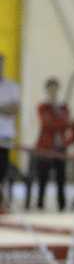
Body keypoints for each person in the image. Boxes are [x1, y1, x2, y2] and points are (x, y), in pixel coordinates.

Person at [30, 78, 73, 211]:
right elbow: (47, 124)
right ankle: (40, 204)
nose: (53, 92)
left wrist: (58, 120)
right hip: (45, 146)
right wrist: (60, 120)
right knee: (43, 177)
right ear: (47, 90)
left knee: (61, 177)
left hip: (60, 147)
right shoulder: (43, 107)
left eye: (55, 89)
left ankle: (62, 205)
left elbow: (68, 124)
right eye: (51, 89)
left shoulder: (63, 107)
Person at [0, 54, 21, 212]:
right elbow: (8, 108)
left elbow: (14, 109)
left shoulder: (12, 87)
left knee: (3, 170)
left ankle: (2, 202)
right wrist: (4, 108)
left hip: (5, 135)